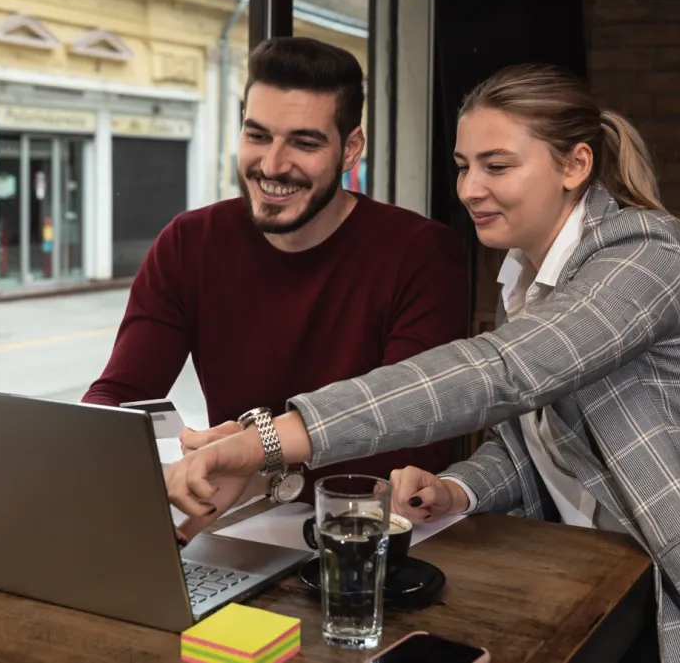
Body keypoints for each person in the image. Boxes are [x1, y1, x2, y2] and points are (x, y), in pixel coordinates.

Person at [165, 64, 680, 663]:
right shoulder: (529, 278)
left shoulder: (645, 260)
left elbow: (499, 372)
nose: (470, 188)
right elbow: (537, 442)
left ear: (574, 166)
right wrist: (457, 489)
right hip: (608, 579)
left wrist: (269, 442)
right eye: (463, 165)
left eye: (497, 165)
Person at [83, 36, 468, 499]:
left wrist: (253, 457)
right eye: (257, 135)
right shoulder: (190, 242)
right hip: (238, 522)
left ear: (350, 149)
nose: (272, 164)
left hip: (366, 529)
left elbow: (415, 431)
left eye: (304, 142)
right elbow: (117, 398)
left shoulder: (422, 253)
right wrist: (179, 447)